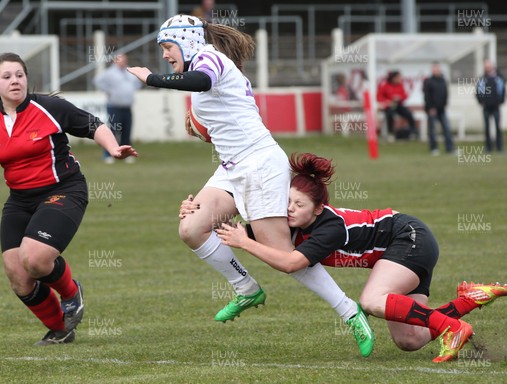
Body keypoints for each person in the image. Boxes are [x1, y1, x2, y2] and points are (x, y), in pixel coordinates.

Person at [126, 16, 374, 352]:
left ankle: (349, 311)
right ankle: (246, 288)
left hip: (259, 165)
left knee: (283, 256)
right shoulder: (205, 61)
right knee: (191, 227)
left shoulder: (208, 58)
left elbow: (199, 81)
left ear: (187, 41)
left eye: (169, 47)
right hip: (232, 168)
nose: (166, 55)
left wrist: (152, 79)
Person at [214, 152, 507, 363]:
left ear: (318, 209)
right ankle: (470, 299)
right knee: (411, 340)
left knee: (371, 300)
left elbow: (291, 264)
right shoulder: (292, 222)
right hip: (399, 253)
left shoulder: (328, 227)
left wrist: (245, 243)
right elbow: (229, 230)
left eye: (299, 204)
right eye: (287, 201)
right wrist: (196, 212)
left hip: (409, 238)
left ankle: (453, 328)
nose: (289, 209)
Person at [0, 52, 137, 346]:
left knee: (34, 259)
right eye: (7, 76)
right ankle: (61, 330)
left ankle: (71, 294)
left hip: (63, 190)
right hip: (20, 199)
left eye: (19, 75)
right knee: (18, 274)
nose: (15, 81)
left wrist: (113, 148)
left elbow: (94, 125)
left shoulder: (49, 107)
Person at [93, 53, 142, 164]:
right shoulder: (110, 73)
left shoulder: (129, 72)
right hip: (114, 107)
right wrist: (108, 91)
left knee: (127, 130)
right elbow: (97, 81)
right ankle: (108, 154)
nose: (123, 62)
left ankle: (126, 153)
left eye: (124, 60)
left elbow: (137, 83)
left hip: (127, 107)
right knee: (113, 131)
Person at [423, 62, 454, 155]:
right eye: (434, 70)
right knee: (432, 130)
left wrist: (444, 105)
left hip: (442, 109)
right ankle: (434, 148)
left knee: (447, 129)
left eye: (437, 69)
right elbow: (427, 96)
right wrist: (430, 108)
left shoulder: (443, 80)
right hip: (432, 110)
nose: (436, 71)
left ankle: (450, 148)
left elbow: (445, 94)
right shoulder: (428, 81)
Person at [377, 70, 418, 140]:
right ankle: (390, 133)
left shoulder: (400, 85)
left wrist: (399, 98)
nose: (400, 79)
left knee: (409, 114)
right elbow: (379, 96)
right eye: (398, 77)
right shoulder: (385, 85)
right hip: (388, 106)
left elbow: (405, 95)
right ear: (393, 78)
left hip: (398, 105)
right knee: (389, 115)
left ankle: (413, 132)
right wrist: (388, 101)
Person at [476, 59, 505, 153]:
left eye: (489, 66)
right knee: (487, 128)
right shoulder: (482, 79)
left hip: (496, 106)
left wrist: (500, 101)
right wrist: (481, 101)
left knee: (498, 127)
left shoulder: (499, 78)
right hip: (486, 107)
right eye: (486, 66)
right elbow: (478, 92)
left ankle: (499, 147)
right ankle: (488, 147)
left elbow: (502, 90)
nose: (488, 68)